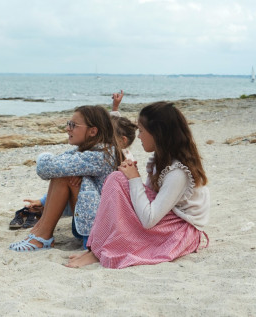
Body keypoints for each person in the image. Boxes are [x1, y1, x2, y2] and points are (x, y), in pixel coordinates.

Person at [66, 101, 210, 268]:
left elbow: (149, 219)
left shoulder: (178, 173)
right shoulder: (159, 162)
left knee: (118, 179)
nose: (139, 136)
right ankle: (96, 249)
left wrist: (134, 179)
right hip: (164, 220)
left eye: (142, 131)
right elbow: (149, 201)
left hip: (179, 229)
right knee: (116, 179)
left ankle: (97, 252)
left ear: (157, 134)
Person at [10, 92, 133, 231]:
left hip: (95, 230)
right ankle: (41, 229)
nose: (67, 128)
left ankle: (42, 233)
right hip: (95, 223)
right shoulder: (100, 151)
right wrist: (43, 202)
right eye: (69, 124)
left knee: (65, 176)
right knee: (68, 173)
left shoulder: (99, 156)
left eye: (73, 125)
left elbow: (44, 168)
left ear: (93, 131)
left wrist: (45, 155)